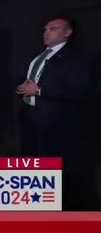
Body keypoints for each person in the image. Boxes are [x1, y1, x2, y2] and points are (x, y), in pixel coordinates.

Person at [15, 17, 96, 210]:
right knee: (31, 167)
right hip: (30, 120)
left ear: (68, 33)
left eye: (53, 28)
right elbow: (30, 83)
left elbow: (81, 90)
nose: (46, 32)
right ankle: (33, 207)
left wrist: (40, 90)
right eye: (45, 29)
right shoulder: (38, 57)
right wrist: (21, 88)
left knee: (53, 171)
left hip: (55, 126)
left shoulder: (79, 58)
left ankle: (56, 212)